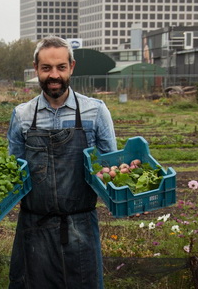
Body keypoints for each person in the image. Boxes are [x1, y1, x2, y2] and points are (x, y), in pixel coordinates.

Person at [7, 36, 117, 289]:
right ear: (36, 69)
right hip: (34, 227)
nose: (53, 75)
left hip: (80, 228)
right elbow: (14, 173)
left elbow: (111, 166)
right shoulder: (22, 116)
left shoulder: (96, 112)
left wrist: (125, 191)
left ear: (72, 67)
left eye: (61, 67)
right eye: (46, 68)